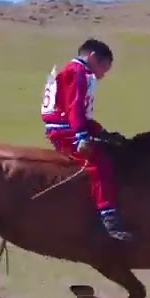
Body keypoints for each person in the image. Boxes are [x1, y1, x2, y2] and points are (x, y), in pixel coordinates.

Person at [40, 38, 133, 241]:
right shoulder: (78, 72)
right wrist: (83, 137)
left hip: (69, 126)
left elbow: (79, 112)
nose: (102, 75)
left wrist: (101, 132)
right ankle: (108, 219)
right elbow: (74, 108)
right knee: (99, 165)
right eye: (103, 68)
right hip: (65, 130)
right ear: (92, 57)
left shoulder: (78, 72)